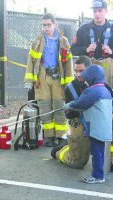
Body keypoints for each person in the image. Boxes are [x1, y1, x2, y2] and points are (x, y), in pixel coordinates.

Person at [52, 56, 113, 172]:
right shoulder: (70, 88)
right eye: (76, 71)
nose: (77, 74)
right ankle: (62, 150)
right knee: (78, 163)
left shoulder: (102, 84)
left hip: (100, 122)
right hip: (81, 124)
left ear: (90, 70)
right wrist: (72, 109)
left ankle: (108, 161)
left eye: (81, 71)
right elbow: (70, 116)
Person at [24, 13, 73, 147]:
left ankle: (61, 136)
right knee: (45, 107)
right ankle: (49, 136)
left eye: (48, 25)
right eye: (43, 25)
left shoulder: (64, 41)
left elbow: (68, 63)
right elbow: (31, 62)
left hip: (58, 77)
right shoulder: (37, 42)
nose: (46, 27)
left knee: (60, 107)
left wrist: (69, 83)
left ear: (55, 24)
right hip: (42, 77)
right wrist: (28, 81)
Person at [63, 65, 112, 184]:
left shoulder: (92, 90)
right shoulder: (105, 89)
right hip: (104, 127)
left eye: (87, 77)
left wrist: (67, 106)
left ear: (92, 77)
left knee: (96, 152)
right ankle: (99, 174)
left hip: (96, 128)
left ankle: (98, 176)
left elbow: (81, 103)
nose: (84, 79)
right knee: (99, 151)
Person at [71, 0, 113, 92]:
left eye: (100, 10)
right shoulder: (83, 29)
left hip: (108, 69)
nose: (97, 14)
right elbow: (73, 49)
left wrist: (111, 51)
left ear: (106, 11)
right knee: (88, 97)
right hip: (88, 67)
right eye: (94, 11)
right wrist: (86, 49)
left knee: (108, 96)